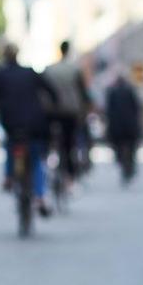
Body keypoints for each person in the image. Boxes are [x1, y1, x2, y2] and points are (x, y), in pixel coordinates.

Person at [0, 42, 59, 216]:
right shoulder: (30, 73)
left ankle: (9, 176)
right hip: (35, 122)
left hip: (11, 123)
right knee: (36, 158)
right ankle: (39, 196)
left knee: (11, 146)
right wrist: (53, 107)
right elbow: (50, 91)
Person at [42, 40, 92, 185]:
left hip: (52, 112)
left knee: (50, 141)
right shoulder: (74, 70)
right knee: (69, 144)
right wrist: (85, 109)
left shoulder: (49, 69)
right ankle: (70, 176)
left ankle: (48, 168)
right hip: (71, 112)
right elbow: (82, 93)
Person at [105, 69, 142, 183]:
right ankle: (129, 166)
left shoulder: (112, 92)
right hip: (129, 125)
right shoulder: (129, 91)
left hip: (117, 126)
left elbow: (108, 111)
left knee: (119, 148)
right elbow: (136, 108)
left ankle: (125, 165)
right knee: (130, 148)